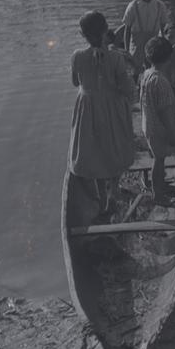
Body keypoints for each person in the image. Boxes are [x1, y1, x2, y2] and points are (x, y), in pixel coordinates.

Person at [69, 11, 135, 214]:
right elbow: (127, 87)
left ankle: (102, 196)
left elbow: (75, 82)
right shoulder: (115, 57)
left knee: (93, 148)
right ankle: (114, 191)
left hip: (87, 107)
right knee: (114, 145)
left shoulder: (77, 56)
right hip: (111, 106)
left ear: (83, 35)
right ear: (106, 31)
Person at [140, 36, 175, 205]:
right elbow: (165, 111)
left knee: (160, 159)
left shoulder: (146, 74)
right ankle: (158, 194)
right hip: (160, 129)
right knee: (158, 161)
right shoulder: (160, 81)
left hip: (149, 125)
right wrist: (173, 135)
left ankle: (161, 186)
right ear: (169, 57)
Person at [121, 0, 169, 75]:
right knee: (136, 71)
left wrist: (165, 45)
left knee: (153, 69)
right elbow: (127, 29)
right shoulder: (133, 6)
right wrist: (126, 51)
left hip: (153, 43)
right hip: (137, 44)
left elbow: (163, 27)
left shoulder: (160, 6)